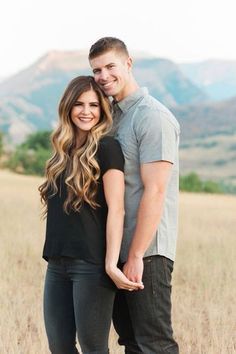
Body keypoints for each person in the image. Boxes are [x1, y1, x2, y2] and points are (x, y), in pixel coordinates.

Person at [39, 75, 142, 354]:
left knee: (93, 348)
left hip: (91, 265)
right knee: (59, 346)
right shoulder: (61, 151)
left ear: (102, 110)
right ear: (68, 107)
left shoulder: (108, 148)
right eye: (79, 104)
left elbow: (117, 208)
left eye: (94, 105)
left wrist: (110, 264)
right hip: (57, 263)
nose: (86, 111)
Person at [89, 37, 180, 354]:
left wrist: (138, 254)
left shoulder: (152, 117)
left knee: (154, 344)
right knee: (131, 342)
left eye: (110, 66)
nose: (103, 76)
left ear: (128, 63)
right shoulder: (112, 117)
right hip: (116, 251)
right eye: (97, 70)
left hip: (147, 252)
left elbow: (155, 191)